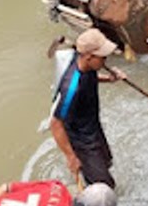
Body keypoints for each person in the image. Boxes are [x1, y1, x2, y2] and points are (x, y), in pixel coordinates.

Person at [49, 28, 127, 188]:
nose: (105, 61)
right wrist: (71, 157)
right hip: (82, 140)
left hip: (92, 127)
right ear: (89, 57)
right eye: (103, 57)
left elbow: (88, 78)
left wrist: (109, 78)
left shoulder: (86, 65)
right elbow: (55, 124)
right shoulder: (71, 89)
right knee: (104, 186)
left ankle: (92, 173)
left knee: (106, 163)